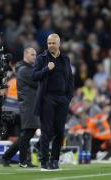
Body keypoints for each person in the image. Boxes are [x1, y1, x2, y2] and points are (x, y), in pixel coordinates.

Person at [32, 33, 74, 171]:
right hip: (47, 98)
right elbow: (34, 76)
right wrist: (46, 69)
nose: (51, 45)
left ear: (59, 44)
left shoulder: (65, 59)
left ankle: (54, 160)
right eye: (49, 43)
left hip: (62, 99)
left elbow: (70, 80)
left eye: (53, 43)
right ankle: (44, 161)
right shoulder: (41, 58)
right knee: (46, 130)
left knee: (60, 132)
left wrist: (68, 98)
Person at [0, 47, 40, 167]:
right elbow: (37, 82)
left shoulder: (27, 69)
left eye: (35, 54)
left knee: (27, 133)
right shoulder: (24, 70)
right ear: (25, 54)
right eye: (32, 54)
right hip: (28, 105)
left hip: (31, 104)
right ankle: (21, 160)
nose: (35, 57)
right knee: (27, 133)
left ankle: (9, 157)